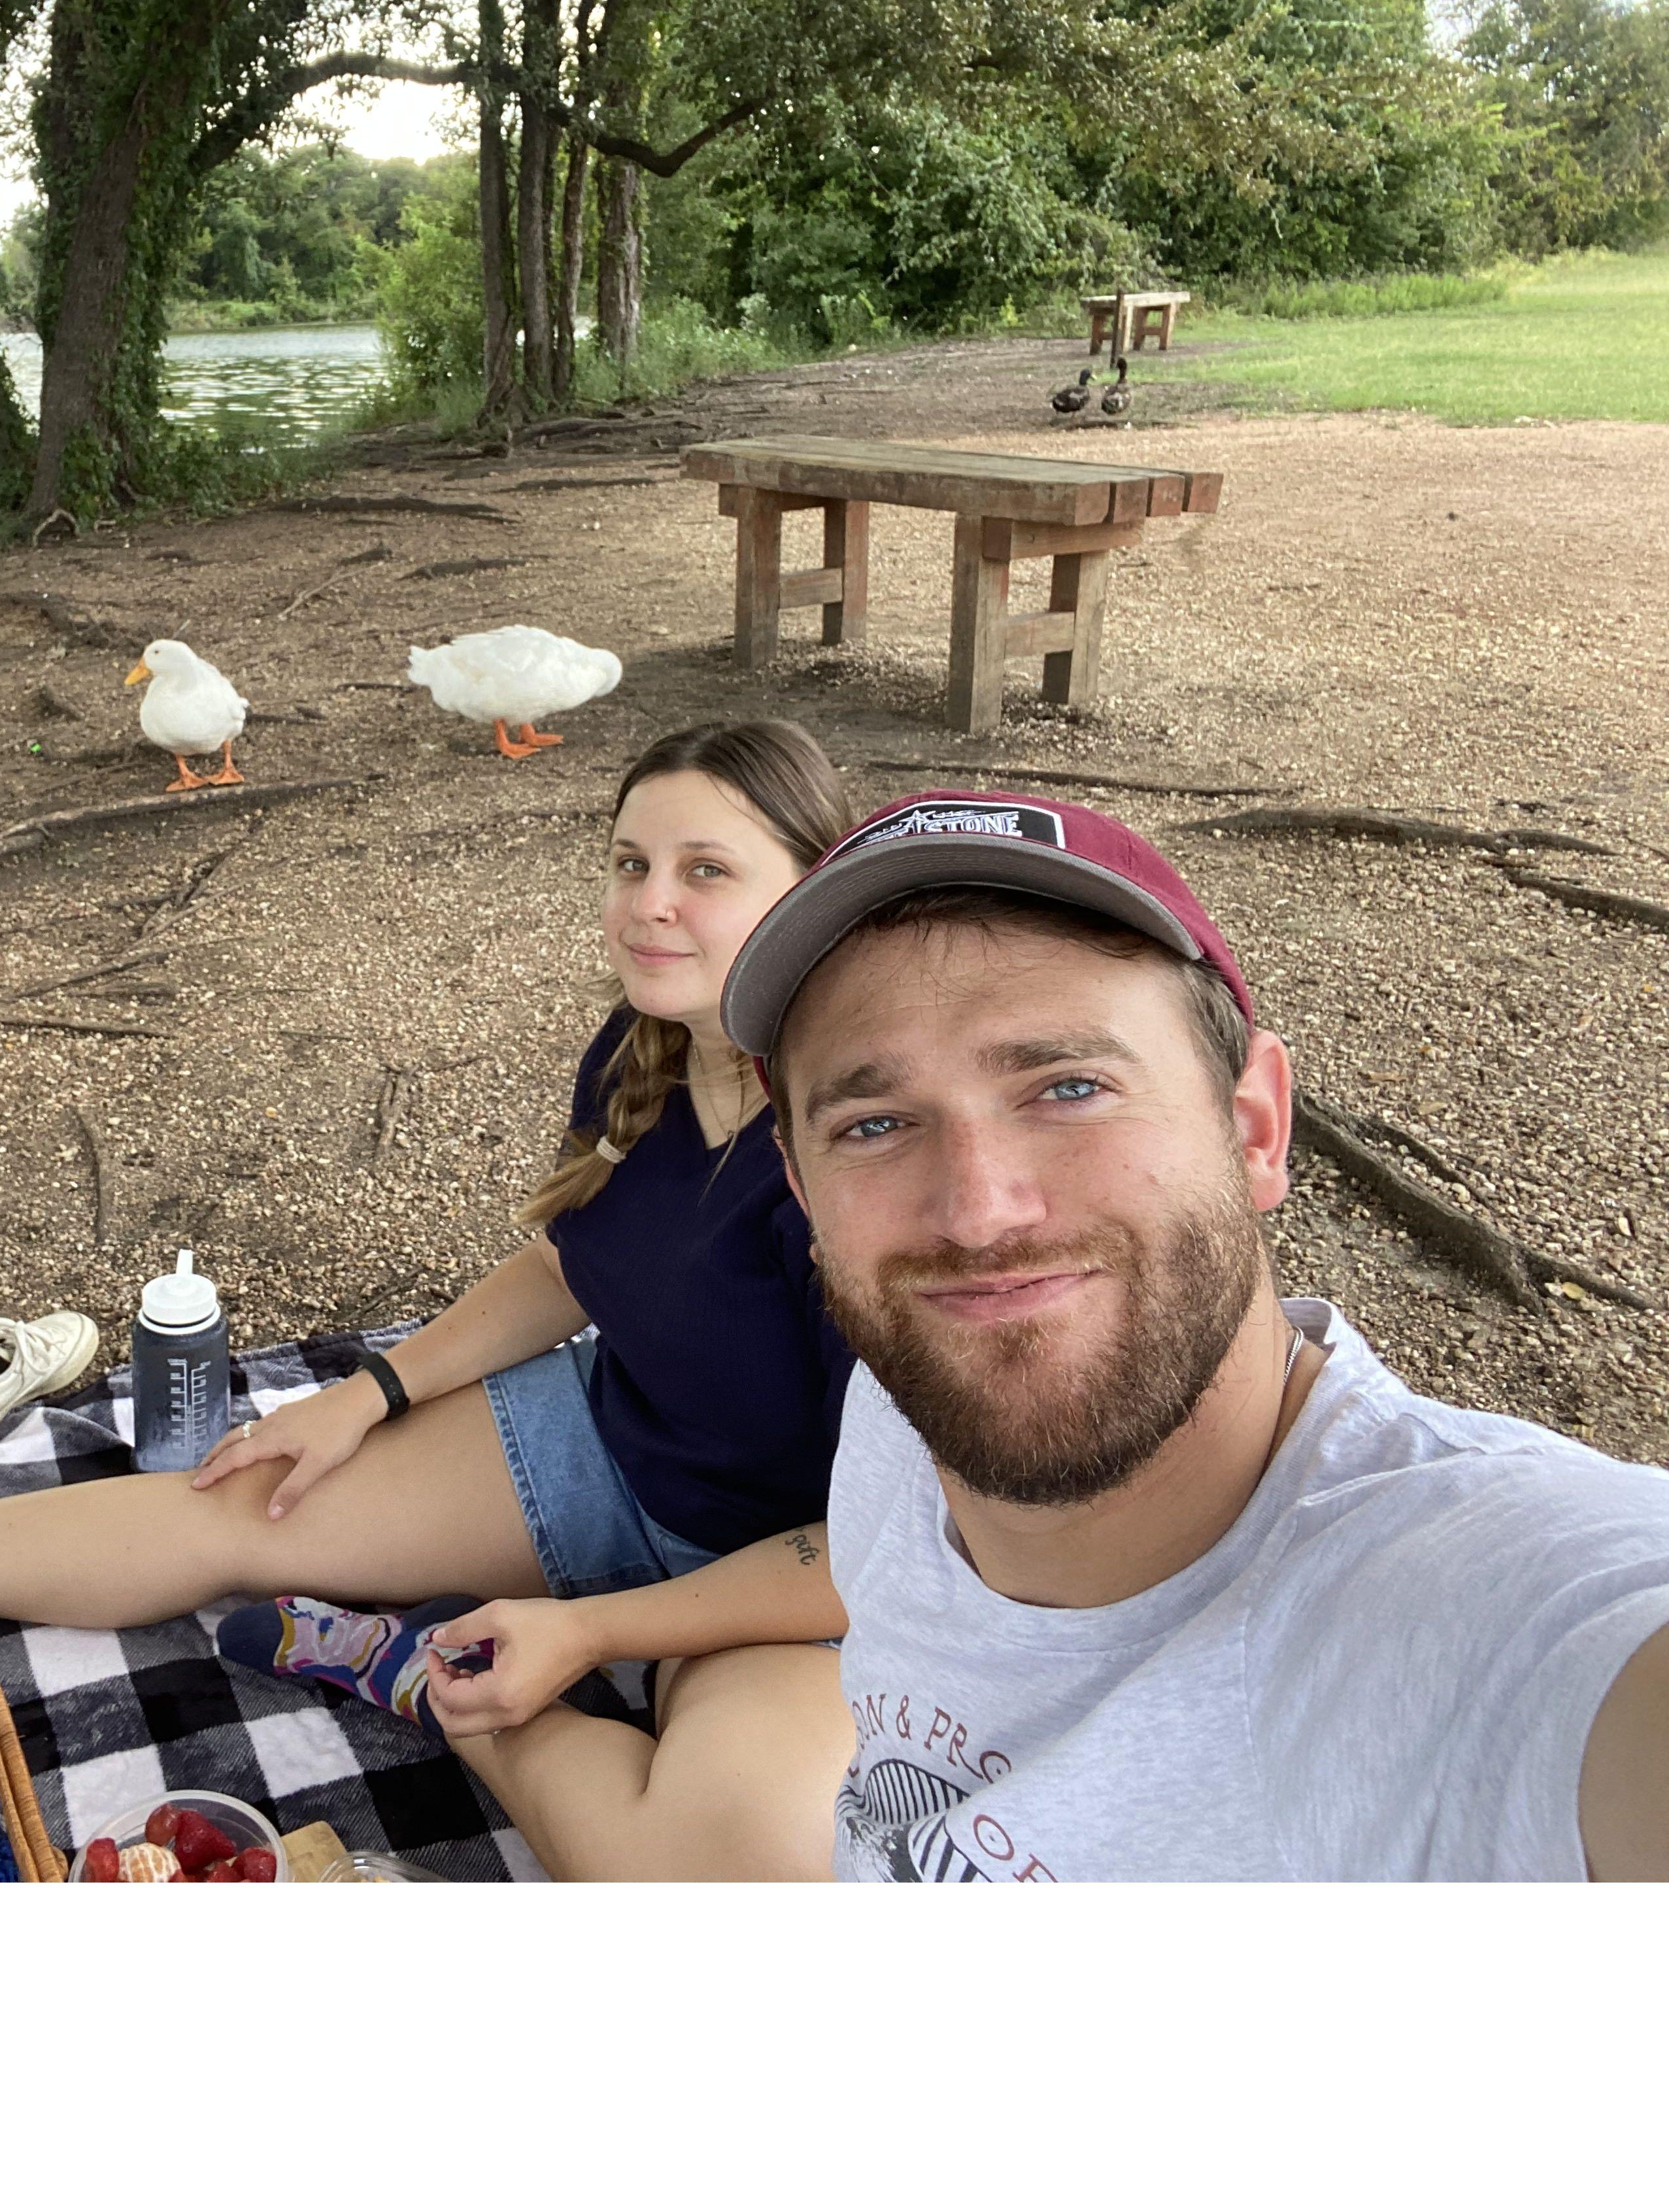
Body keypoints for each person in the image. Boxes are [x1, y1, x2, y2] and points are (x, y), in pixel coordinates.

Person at [0, 718, 866, 1878]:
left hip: (789, 1575)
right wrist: (370, 1392)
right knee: (236, 1502)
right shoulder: (649, 1047)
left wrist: (595, 1635)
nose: (649, 907)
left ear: (814, 889)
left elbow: (898, 1549)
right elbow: (565, 1269)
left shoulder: (865, 1160)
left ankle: (413, 1663)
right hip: (603, 1447)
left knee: (721, 1882)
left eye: (707, 870)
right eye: (630, 861)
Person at [701, 788, 1669, 1881]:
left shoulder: (1492, 1617)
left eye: (1069, 1087)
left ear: (1254, 1127)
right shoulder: (907, 1393)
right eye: (874, 1125)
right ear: (805, 1195)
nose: (978, 1215)